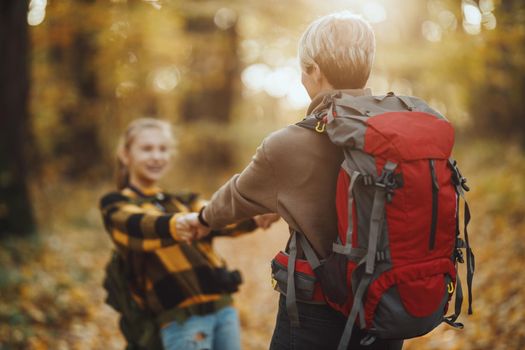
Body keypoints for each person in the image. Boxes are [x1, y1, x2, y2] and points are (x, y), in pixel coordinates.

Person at [176, 12, 404, 350]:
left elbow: (235, 197)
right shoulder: (398, 130)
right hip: (388, 302)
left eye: (303, 69)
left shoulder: (291, 143)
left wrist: (201, 219)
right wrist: (287, 206)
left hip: (318, 308)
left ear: (315, 71)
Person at [99, 118, 279, 350]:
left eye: (163, 149)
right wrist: (181, 223)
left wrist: (254, 216)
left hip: (223, 310)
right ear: (125, 155)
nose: (156, 156)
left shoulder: (183, 200)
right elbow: (138, 225)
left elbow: (219, 217)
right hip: (181, 322)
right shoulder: (115, 203)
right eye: (147, 149)